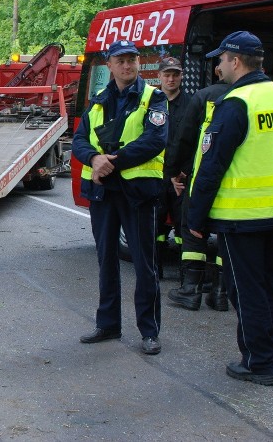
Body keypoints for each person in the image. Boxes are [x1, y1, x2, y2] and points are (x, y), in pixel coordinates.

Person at [187, 31, 273, 386]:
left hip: (243, 217)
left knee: (246, 291)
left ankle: (258, 363)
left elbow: (211, 167)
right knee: (270, 285)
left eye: (221, 59)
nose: (218, 66)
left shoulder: (237, 103)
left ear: (236, 61)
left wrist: (195, 218)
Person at [73, 39, 168, 355]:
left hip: (139, 194)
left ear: (139, 63)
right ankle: (108, 324)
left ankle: (149, 332)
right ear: (110, 65)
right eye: (121, 60)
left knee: (145, 265)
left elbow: (154, 140)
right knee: (106, 261)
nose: (128, 65)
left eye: (132, 60)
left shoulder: (153, 98)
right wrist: (92, 159)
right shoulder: (98, 101)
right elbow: (79, 141)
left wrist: (110, 162)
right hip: (104, 194)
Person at [165, 64, 230, 311]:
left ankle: (190, 290)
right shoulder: (251, 97)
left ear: (218, 71)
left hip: (202, 178)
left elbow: (184, 138)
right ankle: (221, 293)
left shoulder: (204, 96)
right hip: (236, 182)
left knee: (193, 228)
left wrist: (174, 172)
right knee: (226, 236)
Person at [155, 57, 189, 276]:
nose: (171, 79)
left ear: (181, 76)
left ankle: (185, 276)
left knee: (183, 227)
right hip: (157, 175)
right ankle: (154, 268)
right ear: (159, 76)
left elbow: (196, 141)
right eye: (167, 75)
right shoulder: (151, 103)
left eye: (175, 74)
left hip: (181, 177)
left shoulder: (192, 104)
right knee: (155, 225)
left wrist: (184, 172)